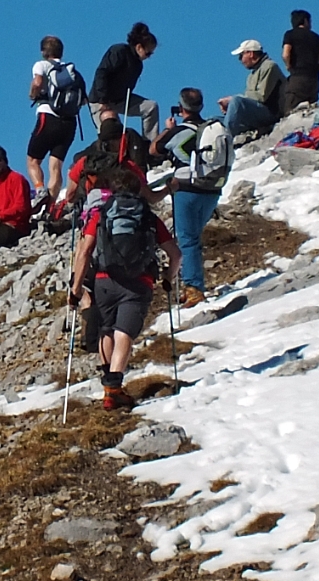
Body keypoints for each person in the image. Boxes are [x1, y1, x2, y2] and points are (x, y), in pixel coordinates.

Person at [68, 167, 180, 411]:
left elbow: (84, 251)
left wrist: (76, 288)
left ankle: (109, 388)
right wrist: (168, 278)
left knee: (106, 330)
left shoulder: (101, 214)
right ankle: (115, 389)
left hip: (104, 280)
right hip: (139, 282)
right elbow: (175, 253)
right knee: (124, 333)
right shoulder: (148, 217)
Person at [152, 89, 229, 307]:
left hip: (186, 188)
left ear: (181, 107)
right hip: (212, 189)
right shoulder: (212, 129)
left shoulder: (179, 131)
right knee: (192, 237)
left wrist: (168, 129)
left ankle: (194, 287)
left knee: (187, 238)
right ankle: (191, 284)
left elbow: (154, 149)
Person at [26, 35, 85, 207]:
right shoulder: (72, 71)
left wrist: (32, 94)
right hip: (69, 122)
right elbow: (84, 100)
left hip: (48, 116)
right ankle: (50, 208)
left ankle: (39, 190)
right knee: (56, 165)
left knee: (33, 160)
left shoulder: (42, 65)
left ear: (43, 51)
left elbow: (37, 82)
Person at [89, 22, 160, 140]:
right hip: (101, 101)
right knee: (112, 135)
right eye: (148, 53)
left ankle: (150, 146)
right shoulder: (119, 51)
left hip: (121, 100)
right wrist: (103, 100)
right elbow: (102, 73)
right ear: (138, 47)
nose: (149, 57)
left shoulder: (138, 65)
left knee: (151, 107)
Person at [217, 40, 285, 137]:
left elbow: (261, 96)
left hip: (271, 113)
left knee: (237, 101)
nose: (240, 60)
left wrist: (232, 101)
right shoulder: (251, 75)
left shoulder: (269, 66)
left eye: (241, 56)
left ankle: (226, 138)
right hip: (259, 111)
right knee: (215, 121)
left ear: (250, 53)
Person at [280, 10, 319, 110]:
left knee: (291, 111)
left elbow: (285, 54)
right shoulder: (316, 37)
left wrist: (288, 65)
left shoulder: (290, 34)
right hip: (314, 80)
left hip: (297, 79)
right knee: (311, 112)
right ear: (306, 21)